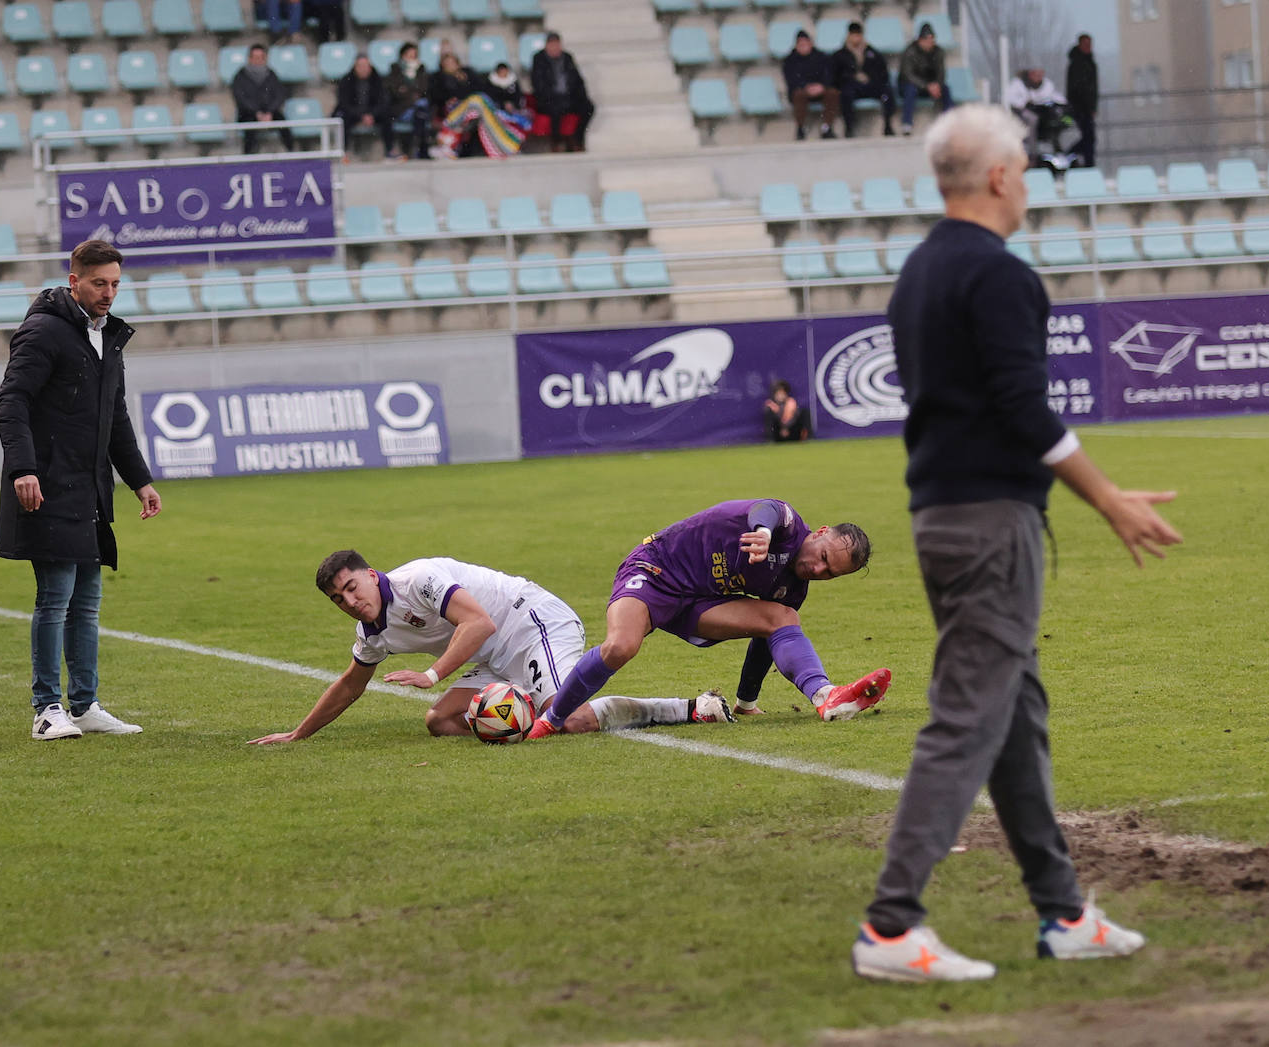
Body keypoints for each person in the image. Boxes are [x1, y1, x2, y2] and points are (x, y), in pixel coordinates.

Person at [850, 104, 1182, 982]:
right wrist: (1109, 498)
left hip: (943, 517)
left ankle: (1064, 912)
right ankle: (890, 926)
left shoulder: (919, 270)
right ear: (998, 177)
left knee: (1014, 717)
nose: (1028, 182)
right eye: (1025, 169)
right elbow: (1024, 408)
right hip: (991, 525)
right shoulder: (997, 275)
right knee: (967, 720)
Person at [247, 551, 737, 746]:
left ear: (371, 575)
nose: (350, 601)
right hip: (492, 656)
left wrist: (433, 675)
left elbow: (478, 624)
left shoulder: (419, 580)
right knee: (439, 722)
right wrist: (298, 734)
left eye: (353, 587)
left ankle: (692, 707)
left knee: (574, 719)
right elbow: (350, 684)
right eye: (339, 599)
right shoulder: (373, 633)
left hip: (533, 621)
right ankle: (520, 710)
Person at [526, 500, 892, 739]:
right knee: (621, 646)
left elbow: (764, 638)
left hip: (700, 603)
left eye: (829, 574)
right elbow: (765, 510)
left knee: (782, 618)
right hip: (657, 570)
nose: (818, 569)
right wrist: (763, 534)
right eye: (824, 557)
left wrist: (746, 702)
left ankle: (826, 696)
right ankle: (553, 718)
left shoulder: (792, 587)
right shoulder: (786, 523)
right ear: (821, 532)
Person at [0, 240, 163, 741]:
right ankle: (47, 708)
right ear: (74, 282)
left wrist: (139, 480)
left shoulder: (108, 336)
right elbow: (10, 401)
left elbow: (115, 417)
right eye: (98, 284)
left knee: (86, 601)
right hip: (45, 487)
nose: (108, 293)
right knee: (56, 598)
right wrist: (23, 469)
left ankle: (85, 705)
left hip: (89, 489)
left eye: (114, 284)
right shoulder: (43, 332)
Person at [530, 31, 594, 152]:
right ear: (547, 46)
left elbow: (578, 80)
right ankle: (557, 141)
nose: (555, 47)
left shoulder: (567, 57)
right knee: (556, 108)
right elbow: (538, 83)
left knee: (588, 107)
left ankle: (577, 138)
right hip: (549, 98)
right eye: (552, 44)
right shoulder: (538, 59)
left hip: (568, 97)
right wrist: (551, 96)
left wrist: (582, 96)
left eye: (557, 44)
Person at [833, 21, 895, 138]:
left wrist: (870, 77)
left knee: (886, 91)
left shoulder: (872, 53)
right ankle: (849, 127)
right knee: (846, 94)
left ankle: (888, 124)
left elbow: (882, 73)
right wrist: (853, 77)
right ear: (849, 36)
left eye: (858, 34)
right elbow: (837, 76)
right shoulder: (841, 55)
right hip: (852, 86)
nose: (856, 37)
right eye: (854, 34)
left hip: (870, 85)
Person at [232, 43, 294, 154]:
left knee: (284, 125)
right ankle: (247, 160)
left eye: (261, 57)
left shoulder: (271, 74)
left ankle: (292, 155)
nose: (258, 60)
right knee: (249, 129)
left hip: (270, 112)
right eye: (255, 57)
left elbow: (279, 95)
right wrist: (257, 112)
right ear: (249, 58)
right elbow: (241, 98)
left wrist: (270, 111)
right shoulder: (240, 76)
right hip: (248, 114)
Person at [897, 22, 953, 136]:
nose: (930, 43)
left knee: (945, 89)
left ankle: (951, 122)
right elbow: (907, 74)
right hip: (912, 85)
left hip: (930, 85)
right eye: (927, 40)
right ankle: (907, 124)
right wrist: (927, 86)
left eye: (932, 40)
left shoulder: (938, 52)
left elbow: (941, 73)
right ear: (920, 40)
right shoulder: (910, 52)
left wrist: (937, 85)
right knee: (910, 90)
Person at [782, 30, 838, 141]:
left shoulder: (821, 57)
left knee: (832, 93)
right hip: (802, 90)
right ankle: (800, 128)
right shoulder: (790, 60)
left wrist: (822, 86)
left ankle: (827, 127)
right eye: (800, 44)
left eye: (805, 43)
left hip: (820, 89)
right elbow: (791, 80)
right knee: (798, 95)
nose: (803, 46)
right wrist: (806, 87)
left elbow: (829, 75)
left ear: (811, 43)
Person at [333, 54, 391, 155]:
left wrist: (372, 115)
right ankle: (343, 152)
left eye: (366, 66)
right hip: (353, 114)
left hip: (373, 115)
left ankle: (389, 151)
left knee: (387, 116)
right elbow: (344, 103)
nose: (363, 69)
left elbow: (383, 102)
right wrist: (361, 116)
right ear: (355, 67)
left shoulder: (378, 80)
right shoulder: (346, 81)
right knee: (342, 118)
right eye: (360, 66)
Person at [384, 42, 432, 160]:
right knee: (420, 110)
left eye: (414, 55)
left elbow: (424, 89)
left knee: (420, 110)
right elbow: (395, 91)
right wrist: (412, 94)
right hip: (401, 108)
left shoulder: (421, 69)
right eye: (408, 55)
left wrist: (407, 91)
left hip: (416, 108)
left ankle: (416, 149)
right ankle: (420, 149)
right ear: (402, 55)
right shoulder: (395, 70)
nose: (411, 58)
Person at [1004, 68, 1066, 156]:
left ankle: (1056, 148)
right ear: (1030, 74)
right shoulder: (1018, 84)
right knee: (1032, 119)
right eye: (1036, 75)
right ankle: (1032, 152)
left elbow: (1053, 96)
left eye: (1041, 75)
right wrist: (1026, 101)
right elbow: (1011, 100)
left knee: (1056, 120)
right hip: (1020, 113)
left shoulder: (1046, 84)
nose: (1039, 78)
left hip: (1041, 111)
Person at [1066, 33, 1098, 167]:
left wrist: (1093, 107)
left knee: (1089, 138)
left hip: (1088, 108)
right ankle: (1069, 157)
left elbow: (1093, 88)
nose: (1088, 47)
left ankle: (1082, 161)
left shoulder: (1090, 62)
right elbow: (1076, 88)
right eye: (1085, 44)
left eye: (1089, 44)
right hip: (1079, 107)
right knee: (1089, 137)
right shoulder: (1076, 64)